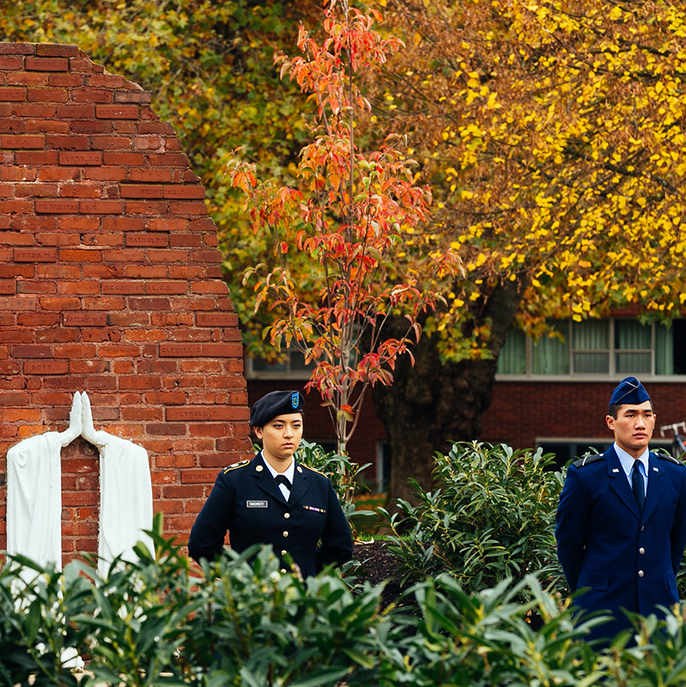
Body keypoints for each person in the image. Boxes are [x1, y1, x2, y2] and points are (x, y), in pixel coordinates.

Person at [556, 376, 686, 641]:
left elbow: (675, 543)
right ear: (611, 422)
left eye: (647, 415)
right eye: (630, 415)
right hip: (601, 615)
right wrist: (590, 589)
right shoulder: (586, 477)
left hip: (659, 614)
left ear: (654, 419)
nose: (640, 423)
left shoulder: (676, 475)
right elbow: (569, 545)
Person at [188, 390, 353, 577]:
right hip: (251, 600)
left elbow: (341, 547)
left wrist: (306, 573)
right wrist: (240, 579)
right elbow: (201, 545)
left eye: (296, 425)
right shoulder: (234, 480)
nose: (289, 434)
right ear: (259, 431)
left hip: (302, 601)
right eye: (278, 426)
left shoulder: (319, 484)